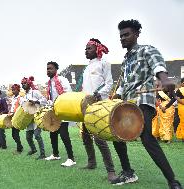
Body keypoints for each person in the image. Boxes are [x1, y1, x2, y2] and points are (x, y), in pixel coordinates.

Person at [111, 19, 182, 189]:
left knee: (147, 138)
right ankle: (128, 172)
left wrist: (164, 79)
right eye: (121, 36)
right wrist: (116, 97)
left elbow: (157, 63)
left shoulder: (146, 50)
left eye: (126, 34)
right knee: (115, 134)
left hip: (142, 101)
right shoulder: (125, 59)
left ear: (137, 34)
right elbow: (123, 83)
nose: (123, 38)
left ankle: (173, 181)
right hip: (127, 103)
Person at [76, 38, 116, 181]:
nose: (86, 51)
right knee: (86, 136)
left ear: (97, 49)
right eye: (85, 49)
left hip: (99, 104)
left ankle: (111, 171)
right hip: (86, 105)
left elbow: (109, 83)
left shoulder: (104, 63)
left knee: (99, 139)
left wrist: (99, 94)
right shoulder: (86, 67)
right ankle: (91, 163)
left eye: (89, 48)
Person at [44, 61, 76, 167]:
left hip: (63, 110)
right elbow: (50, 98)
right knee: (52, 132)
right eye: (47, 69)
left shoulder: (62, 79)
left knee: (64, 134)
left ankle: (71, 158)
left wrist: (57, 103)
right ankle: (55, 154)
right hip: (54, 111)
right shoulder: (49, 83)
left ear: (56, 70)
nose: (48, 70)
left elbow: (68, 93)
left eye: (50, 68)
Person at [21, 76, 47, 160]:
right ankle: (33, 149)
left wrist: (35, 102)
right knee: (28, 137)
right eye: (22, 84)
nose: (23, 85)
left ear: (29, 84)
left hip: (37, 116)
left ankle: (43, 154)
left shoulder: (35, 92)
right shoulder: (24, 96)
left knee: (37, 135)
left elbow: (44, 100)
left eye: (24, 83)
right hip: (29, 118)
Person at [9, 84, 24, 154]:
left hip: (17, 117)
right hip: (12, 117)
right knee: (14, 134)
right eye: (12, 90)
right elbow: (12, 107)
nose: (13, 91)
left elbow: (22, 108)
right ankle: (20, 147)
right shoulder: (13, 98)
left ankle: (19, 149)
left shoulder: (20, 98)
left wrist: (15, 114)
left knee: (15, 134)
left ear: (18, 90)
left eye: (14, 90)